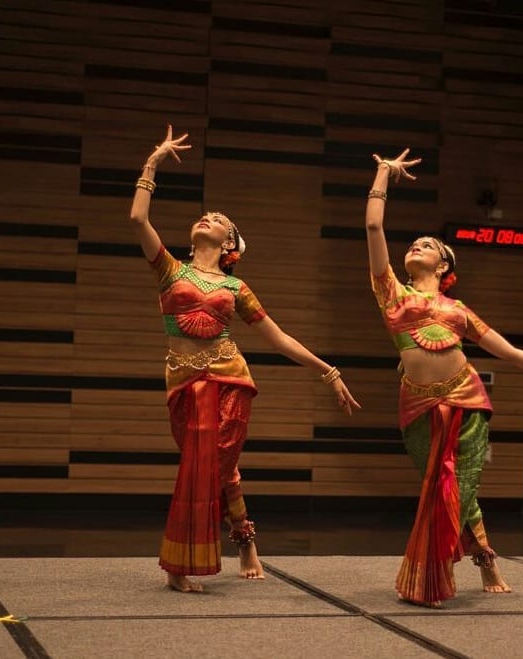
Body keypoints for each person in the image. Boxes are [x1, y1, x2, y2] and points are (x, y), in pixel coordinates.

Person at [129, 125, 360, 593]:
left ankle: (181, 563)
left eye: (218, 218)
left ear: (230, 245)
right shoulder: (169, 269)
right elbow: (138, 221)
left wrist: (328, 371)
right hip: (181, 383)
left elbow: (278, 338)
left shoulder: (236, 288)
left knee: (205, 467)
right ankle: (246, 539)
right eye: (205, 215)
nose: (208, 217)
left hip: (229, 380)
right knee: (214, 468)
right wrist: (152, 164)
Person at [365, 148, 523, 607]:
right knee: (438, 485)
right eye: (413, 245)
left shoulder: (458, 311)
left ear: (443, 267)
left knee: (459, 488)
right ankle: (484, 556)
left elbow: (508, 351)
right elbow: (373, 227)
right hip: (418, 405)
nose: (415, 247)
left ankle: (441, 569)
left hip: (467, 400)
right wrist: (383, 173)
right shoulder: (390, 295)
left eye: (427, 246)